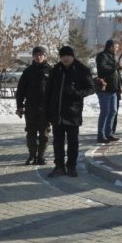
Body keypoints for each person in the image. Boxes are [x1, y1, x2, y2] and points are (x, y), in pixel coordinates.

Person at [45, 46, 95, 177]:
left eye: (68, 56)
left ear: (72, 56)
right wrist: (48, 111)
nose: (65, 58)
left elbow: (91, 88)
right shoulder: (56, 70)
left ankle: (71, 166)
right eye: (63, 56)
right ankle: (59, 166)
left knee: (73, 142)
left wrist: (77, 93)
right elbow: (48, 92)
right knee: (58, 142)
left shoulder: (81, 69)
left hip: (73, 112)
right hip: (57, 113)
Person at [15, 46, 52, 165]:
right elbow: (20, 90)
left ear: (45, 56)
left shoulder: (51, 70)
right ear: (33, 56)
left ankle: (41, 156)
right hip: (31, 107)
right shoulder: (28, 71)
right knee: (31, 133)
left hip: (45, 108)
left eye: (41, 54)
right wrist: (19, 106)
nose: (38, 56)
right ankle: (32, 155)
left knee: (44, 133)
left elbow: (56, 90)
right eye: (36, 54)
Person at [95, 39, 122, 143]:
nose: (117, 49)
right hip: (105, 89)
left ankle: (109, 133)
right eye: (116, 47)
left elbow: (115, 73)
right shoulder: (102, 56)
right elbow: (102, 68)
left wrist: (119, 85)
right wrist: (114, 67)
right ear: (111, 47)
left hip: (113, 89)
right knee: (105, 111)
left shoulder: (113, 57)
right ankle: (100, 135)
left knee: (113, 111)